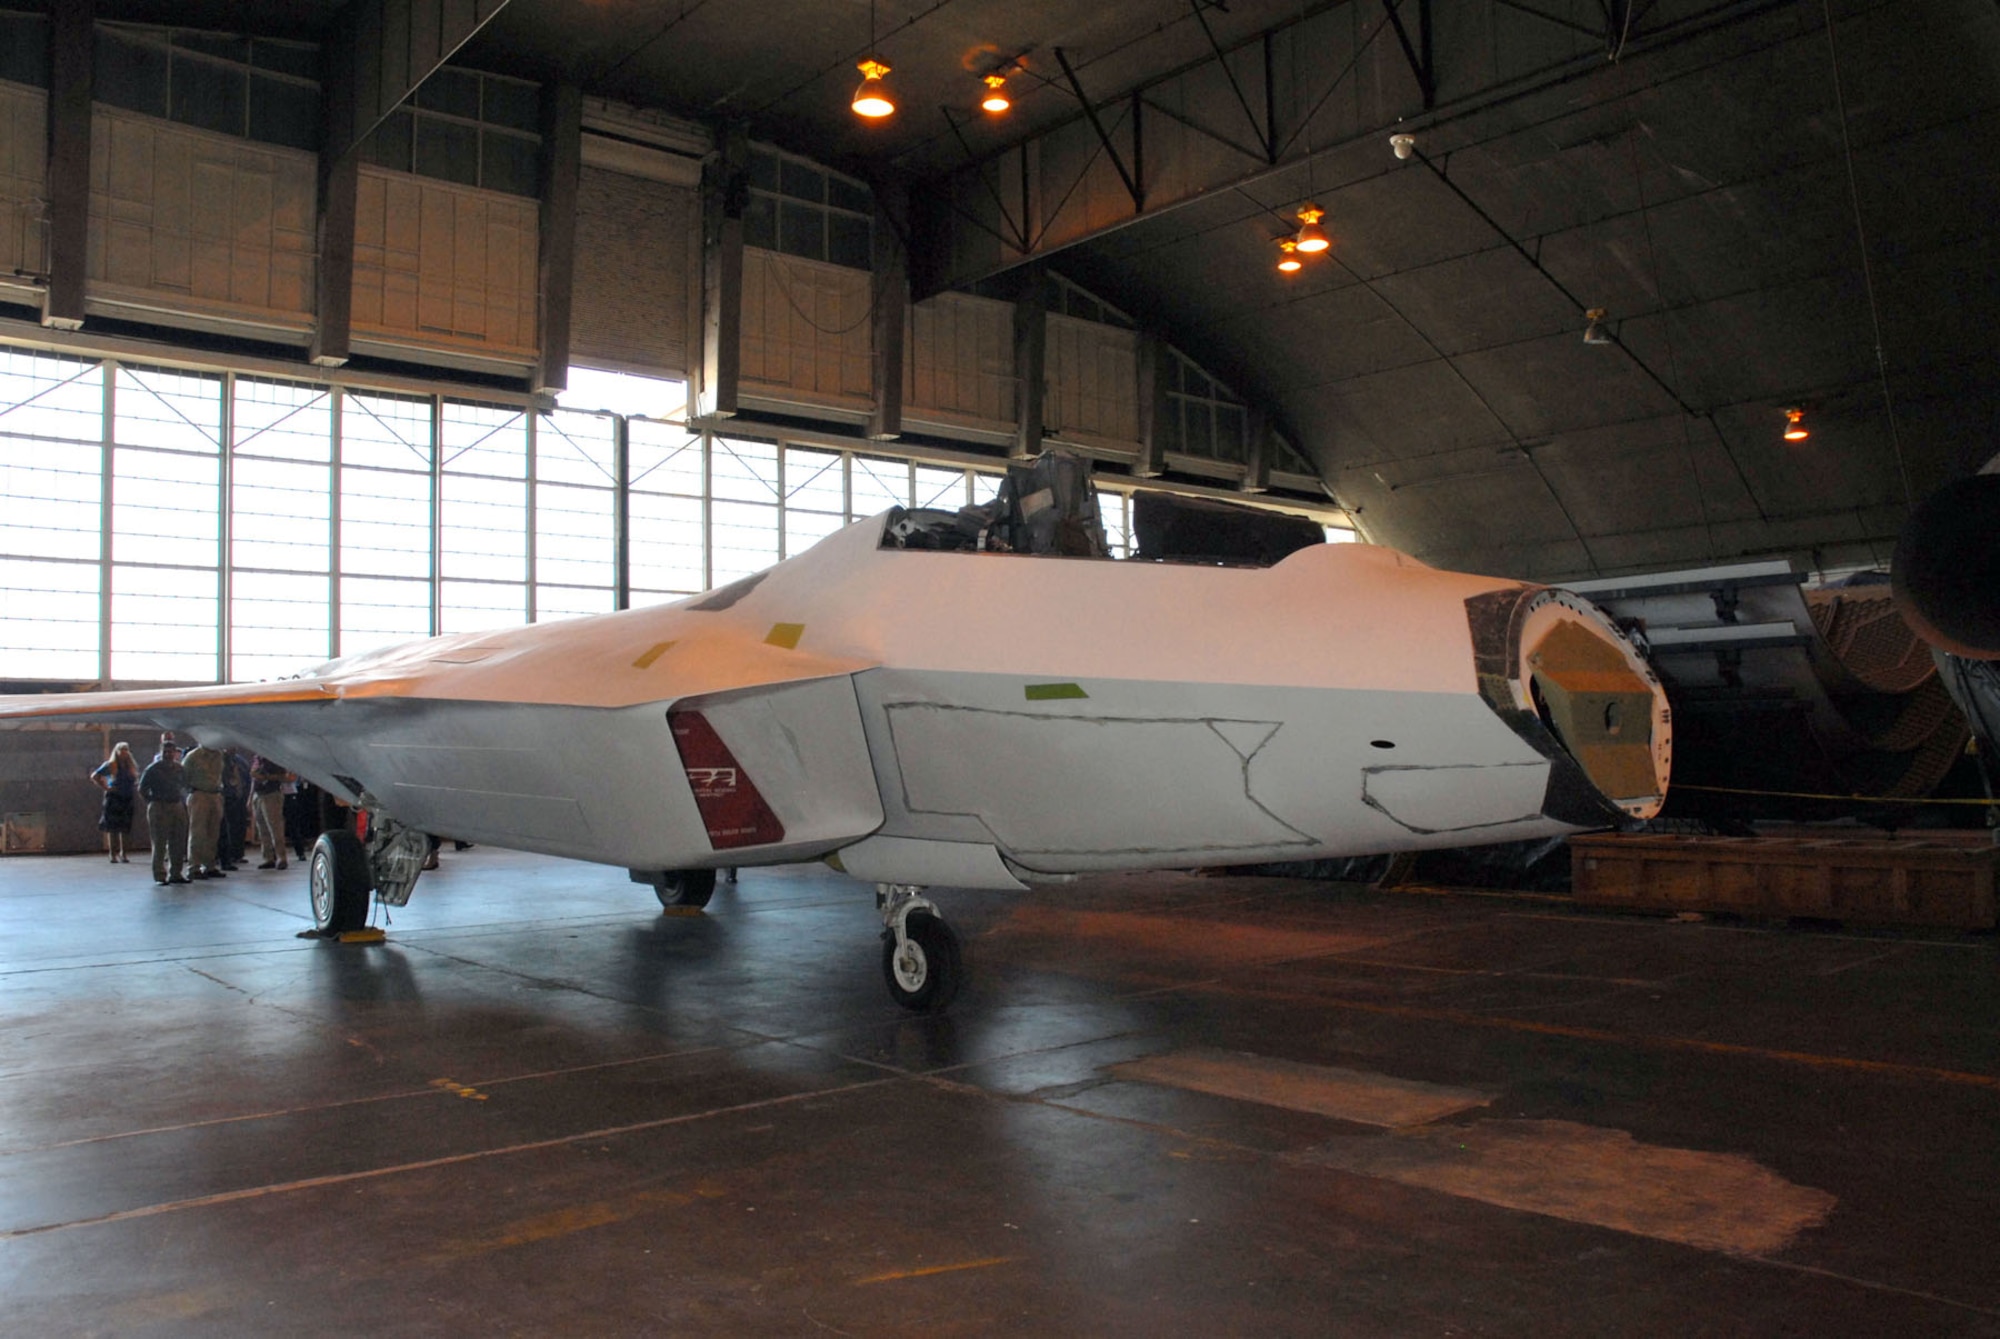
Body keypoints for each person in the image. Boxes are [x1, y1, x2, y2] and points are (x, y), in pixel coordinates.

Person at [137, 738, 190, 885]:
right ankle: (159, 875)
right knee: (159, 842)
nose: (168, 754)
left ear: (175, 753)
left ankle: (176, 873)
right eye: (165, 752)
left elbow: (185, 785)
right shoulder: (153, 769)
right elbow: (142, 789)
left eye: (170, 752)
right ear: (161, 752)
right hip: (159, 805)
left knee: (178, 841)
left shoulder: (180, 769)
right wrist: (151, 802)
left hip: (176, 805)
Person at [180, 740, 228, 880]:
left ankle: (209, 865)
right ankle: (193, 867)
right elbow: (183, 777)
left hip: (215, 794)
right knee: (198, 832)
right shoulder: (193, 756)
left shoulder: (219, 755)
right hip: (199, 794)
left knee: (213, 833)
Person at [90, 741, 139, 863]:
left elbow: (135, 779)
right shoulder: (111, 765)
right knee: (113, 827)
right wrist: (106, 787)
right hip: (114, 798)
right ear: (116, 752)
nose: (124, 752)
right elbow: (95, 775)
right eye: (121, 750)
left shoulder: (131, 766)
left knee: (125, 826)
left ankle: (124, 852)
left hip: (127, 798)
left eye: (126, 750)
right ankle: (112, 853)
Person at [251, 755, 291, 870]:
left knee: (275, 827)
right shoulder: (257, 759)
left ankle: (281, 857)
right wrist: (250, 798)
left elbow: (284, 776)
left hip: (271, 794)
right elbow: (253, 779)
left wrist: (266, 777)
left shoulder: (274, 758)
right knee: (262, 828)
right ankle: (268, 857)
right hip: (258, 795)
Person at [219, 748, 252, 870]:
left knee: (239, 826)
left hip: (240, 798)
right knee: (226, 829)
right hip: (226, 798)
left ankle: (238, 854)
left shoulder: (241, 761)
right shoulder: (220, 760)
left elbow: (248, 779)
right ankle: (226, 856)